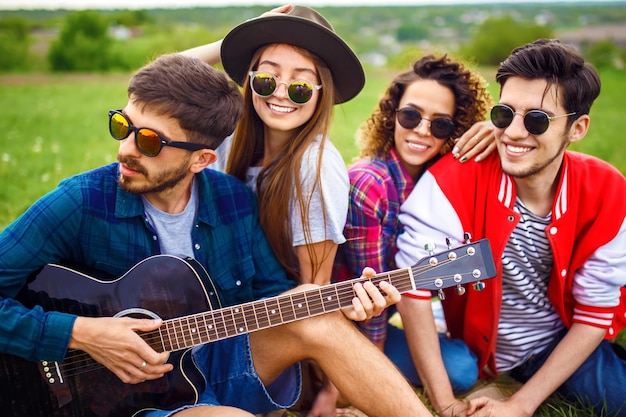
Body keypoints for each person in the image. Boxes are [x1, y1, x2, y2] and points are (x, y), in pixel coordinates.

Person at [0, 53, 434, 417]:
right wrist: (80, 333)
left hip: (216, 361)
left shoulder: (231, 200)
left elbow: (273, 293)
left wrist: (334, 302)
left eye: (150, 142)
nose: (126, 149)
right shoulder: (80, 201)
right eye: (122, 126)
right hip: (120, 399)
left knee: (318, 316)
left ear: (202, 159)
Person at [395, 38, 626, 417]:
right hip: (469, 346)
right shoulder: (453, 180)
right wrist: (446, 405)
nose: (515, 133)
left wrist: (521, 404)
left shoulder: (608, 192)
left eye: (536, 119)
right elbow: (414, 289)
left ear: (578, 128)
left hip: (556, 341)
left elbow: (595, 312)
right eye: (504, 114)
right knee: (458, 370)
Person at [182, 5, 368, 416]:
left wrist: (330, 390)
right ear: (249, 81)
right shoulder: (228, 135)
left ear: (321, 95)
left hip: (268, 337)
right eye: (267, 78)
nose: (281, 93)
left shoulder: (315, 171)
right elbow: (161, 87)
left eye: (301, 86)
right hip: (203, 315)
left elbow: (314, 296)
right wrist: (233, 39)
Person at [335, 53, 495, 389]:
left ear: (458, 130)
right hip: (343, 320)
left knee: (464, 360)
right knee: (462, 370)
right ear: (392, 116)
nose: (422, 130)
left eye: (440, 124)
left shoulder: (437, 184)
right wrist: (373, 384)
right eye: (411, 116)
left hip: (388, 310)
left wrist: (497, 130)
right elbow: (372, 298)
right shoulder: (370, 184)